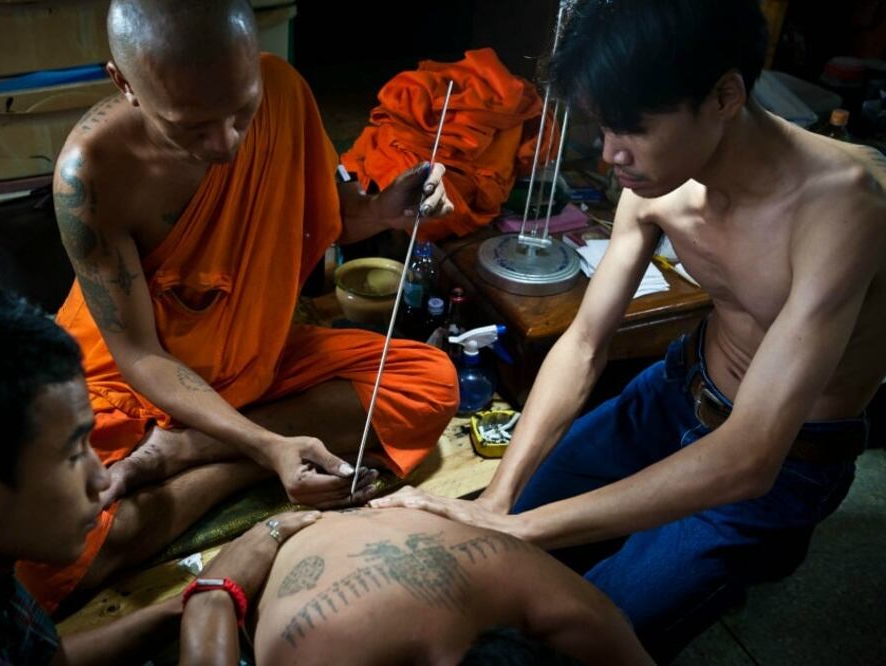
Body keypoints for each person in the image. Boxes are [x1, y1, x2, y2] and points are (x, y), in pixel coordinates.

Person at [371, 0, 886, 660]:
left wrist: (524, 529)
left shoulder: (846, 208)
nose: (612, 154)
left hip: (778, 463)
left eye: (634, 129)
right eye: (604, 127)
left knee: (573, 638)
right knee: (481, 554)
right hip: (671, 393)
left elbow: (749, 456)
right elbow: (584, 344)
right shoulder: (655, 180)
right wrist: (499, 502)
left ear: (725, 94)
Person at [24, 0, 460, 612]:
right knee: (42, 557)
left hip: (257, 359)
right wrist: (266, 445)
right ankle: (255, 453)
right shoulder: (91, 173)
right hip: (135, 383)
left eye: (240, 111)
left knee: (430, 383)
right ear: (125, 83)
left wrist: (390, 209)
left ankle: (197, 453)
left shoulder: (282, 90)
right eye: (192, 126)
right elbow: (141, 356)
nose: (227, 143)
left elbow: (329, 216)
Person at [0, 287, 319, 665]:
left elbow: (45, 662)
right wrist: (213, 599)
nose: (103, 477)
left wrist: (176, 611)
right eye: (74, 455)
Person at [252, 507, 652, 665]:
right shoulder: (323, 646)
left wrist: (216, 593)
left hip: (297, 539)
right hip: (290, 536)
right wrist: (217, 592)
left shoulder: (576, 613)